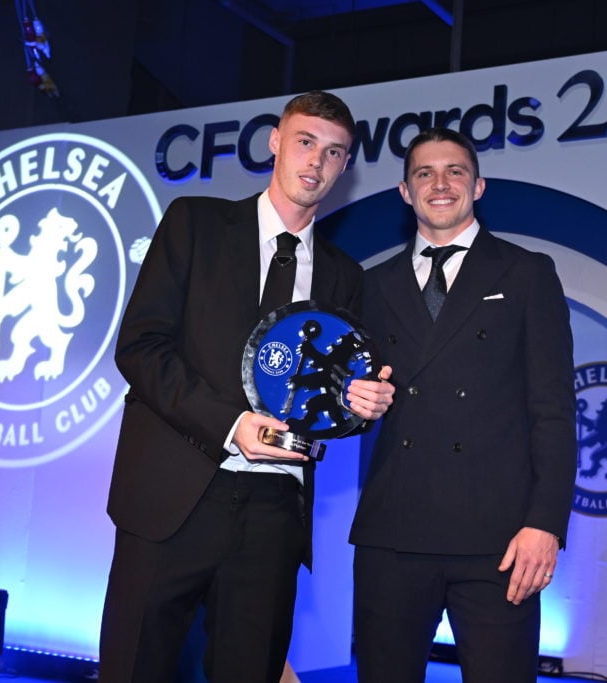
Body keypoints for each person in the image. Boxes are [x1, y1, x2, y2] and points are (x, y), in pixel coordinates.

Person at [99, 90, 394, 683]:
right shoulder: (195, 223)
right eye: (306, 142)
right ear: (276, 142)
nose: (316, 162)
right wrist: (231, 425)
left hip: (274, 511)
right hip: (172, 498)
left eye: (334, 153)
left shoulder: (344, 276)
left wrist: (363, 405)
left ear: (345, 168)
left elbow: (335, 397)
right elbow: (139, 347)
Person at [349, 127, 577, 683]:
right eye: (424, 173)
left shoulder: (526, 273)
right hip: (393, 533)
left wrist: (545, 523)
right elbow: (351, 404)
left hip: (498, 541)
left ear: (478, 186)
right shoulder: (370, 286)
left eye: (454, 171)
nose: (440, 183)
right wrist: (354, 405)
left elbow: (553, 409)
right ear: (406, 193)